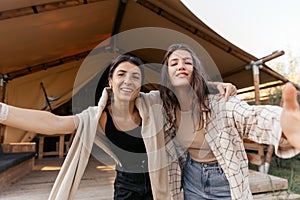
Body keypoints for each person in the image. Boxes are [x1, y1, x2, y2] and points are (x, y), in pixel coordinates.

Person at [0, 54, 237, 200]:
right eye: (122, 74)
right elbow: (53, 123)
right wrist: (3, 111)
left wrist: (216, 86)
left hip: (161, 181)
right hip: (128, 185)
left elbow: (181, 86)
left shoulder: (154, 101)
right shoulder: (98, 117)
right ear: (110, 81)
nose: (128, 81)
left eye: (135, 76)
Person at [157, 43, 300, 200]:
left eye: (187, 62)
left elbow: (249, 116)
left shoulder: (220, 103)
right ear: (167, 73)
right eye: (174, 63)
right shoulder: (165, 109)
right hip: (192, 179)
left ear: (195, 71)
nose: (181, 66)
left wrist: (282, 124)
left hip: (224, 180)